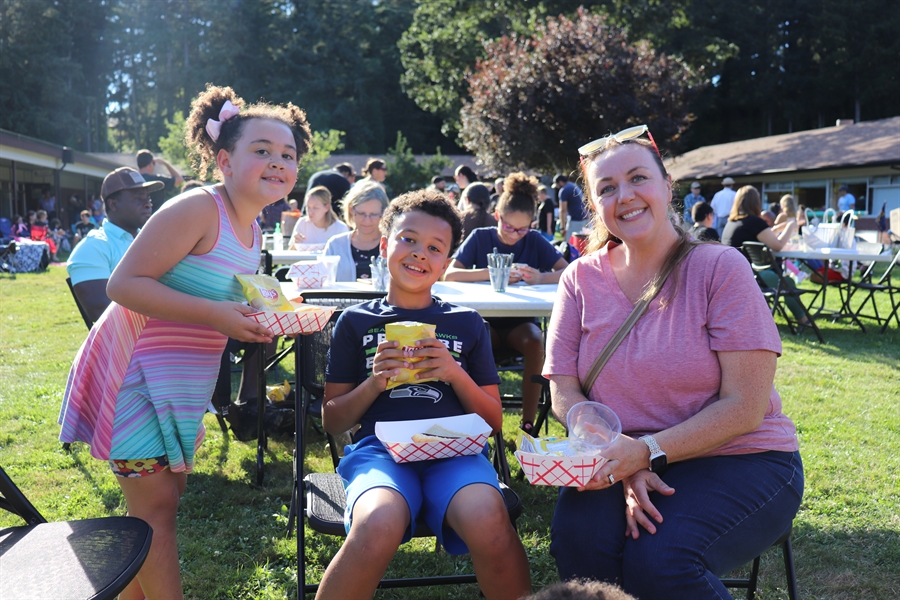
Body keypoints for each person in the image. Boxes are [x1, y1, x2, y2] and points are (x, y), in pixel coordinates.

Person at [58, 83, 312, 600]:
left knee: (158, 508)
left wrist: (262, 314)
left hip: (178, 384)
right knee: (155, 517)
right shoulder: (198, 209)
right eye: (260, 150)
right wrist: (218, 313)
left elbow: (215, 292)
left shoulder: (254, 230)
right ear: (224, 159)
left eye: (288, 154)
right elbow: (123, 285)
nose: (277, 162)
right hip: (137, 377)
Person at [544, 126, 803, 598]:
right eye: (606, 188)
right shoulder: (578, 279)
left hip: (742, 455)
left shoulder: (720, 269)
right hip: (616, 452)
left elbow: (745, 406)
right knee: (579, 546)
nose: (625, 196)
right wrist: (622, 455)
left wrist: (647, 452)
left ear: (667, 186)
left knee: (660, 561)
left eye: (638, 177)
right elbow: (563, 389)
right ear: (595, 205)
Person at [317, 189, 531, 600]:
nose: (419, 254)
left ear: (446, 264)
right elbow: (332, 420)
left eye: (434, 248)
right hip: (379, 452)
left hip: (455, 452)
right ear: (385, 244)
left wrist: (453, 373)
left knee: (490, 518)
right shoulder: (354, 322)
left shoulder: (467, 323)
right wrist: (375, 382)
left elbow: (492, 422)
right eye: (408, 239)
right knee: (376, 522)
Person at [445, 172, 568, 432]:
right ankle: (478, 417)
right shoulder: (481, 237)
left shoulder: (533, 241)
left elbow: (568, 271)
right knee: (473, 342)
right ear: (498, 217)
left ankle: (528, 423)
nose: (514, 235)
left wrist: (541, 277)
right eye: (509, 227)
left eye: (522, 229)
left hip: (520, 325)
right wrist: (491, 274)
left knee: (537, 342)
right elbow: (451, 274)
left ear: (531, 225)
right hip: (484, 323)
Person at [66, 168, 160, 323]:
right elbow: (101, 311)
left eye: (147, 198)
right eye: (138, 198)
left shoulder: (154, 239)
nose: (148, 204)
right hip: (139, 342)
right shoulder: (93, 248)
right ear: (113, 204)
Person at [721, 186, 808, 325]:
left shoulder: (731, 223)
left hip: (729, 276)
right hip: (750, 277)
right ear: (755, 202)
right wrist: (791, 226)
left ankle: (801, 318)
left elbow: (764, 235)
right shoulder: (754, 222)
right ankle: (803, 320)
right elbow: (777, 245)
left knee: (783, 281)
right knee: (788, 282)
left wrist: (778, 228)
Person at [323, 181, 389, 281]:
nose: (367, 220)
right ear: (351, 210)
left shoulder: (392, 245)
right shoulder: (335, 245)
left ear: (383, 213)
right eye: (361, 213)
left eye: (374, 214)